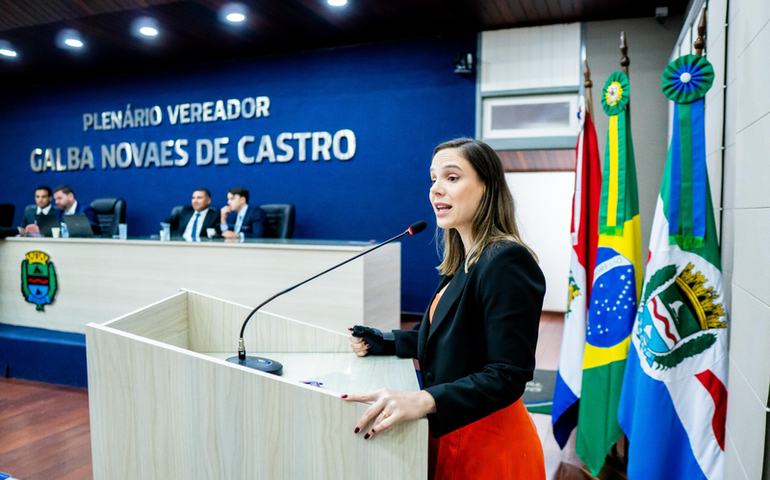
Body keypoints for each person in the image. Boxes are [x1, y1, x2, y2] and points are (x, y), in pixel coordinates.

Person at [343, 138, 546, 479]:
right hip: (451, 429)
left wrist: (421, 400)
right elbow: (447, 335)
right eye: (433, 179)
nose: (436, 189)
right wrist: (386, 342)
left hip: (489, 443)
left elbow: (508, 375)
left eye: (451, 177)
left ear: (487, 188)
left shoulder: (507, 261)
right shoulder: (464, 261)